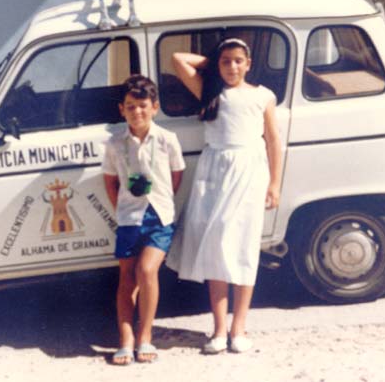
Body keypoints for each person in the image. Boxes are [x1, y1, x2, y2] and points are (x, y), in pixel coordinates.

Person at [166, 38, 282, 354]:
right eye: (226, 61)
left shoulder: (262, 96)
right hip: (215, 170)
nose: (232, 67)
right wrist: (213, 60)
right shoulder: (210, 91)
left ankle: (239, 327)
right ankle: (218, 329)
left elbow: (273, 141)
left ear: (248, 64)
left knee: (243, 245)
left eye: (237, 61)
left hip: (248, 171)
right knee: (216, 246)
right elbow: (179, 59)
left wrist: (275, 184)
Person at [102, 75, 185, 365]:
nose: (137, 112)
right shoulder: (114, 144)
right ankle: (125, 339)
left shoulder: (166, 140)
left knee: (147, 271)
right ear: (121, 109)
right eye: (130, 106)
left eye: (142, 105)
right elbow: (110, 182)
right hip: (129, 217)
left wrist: (161, 201)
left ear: (154, 107)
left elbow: (176, 176)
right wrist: (123, 210)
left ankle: (145, 336)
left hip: (159, 215)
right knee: (127, 277)